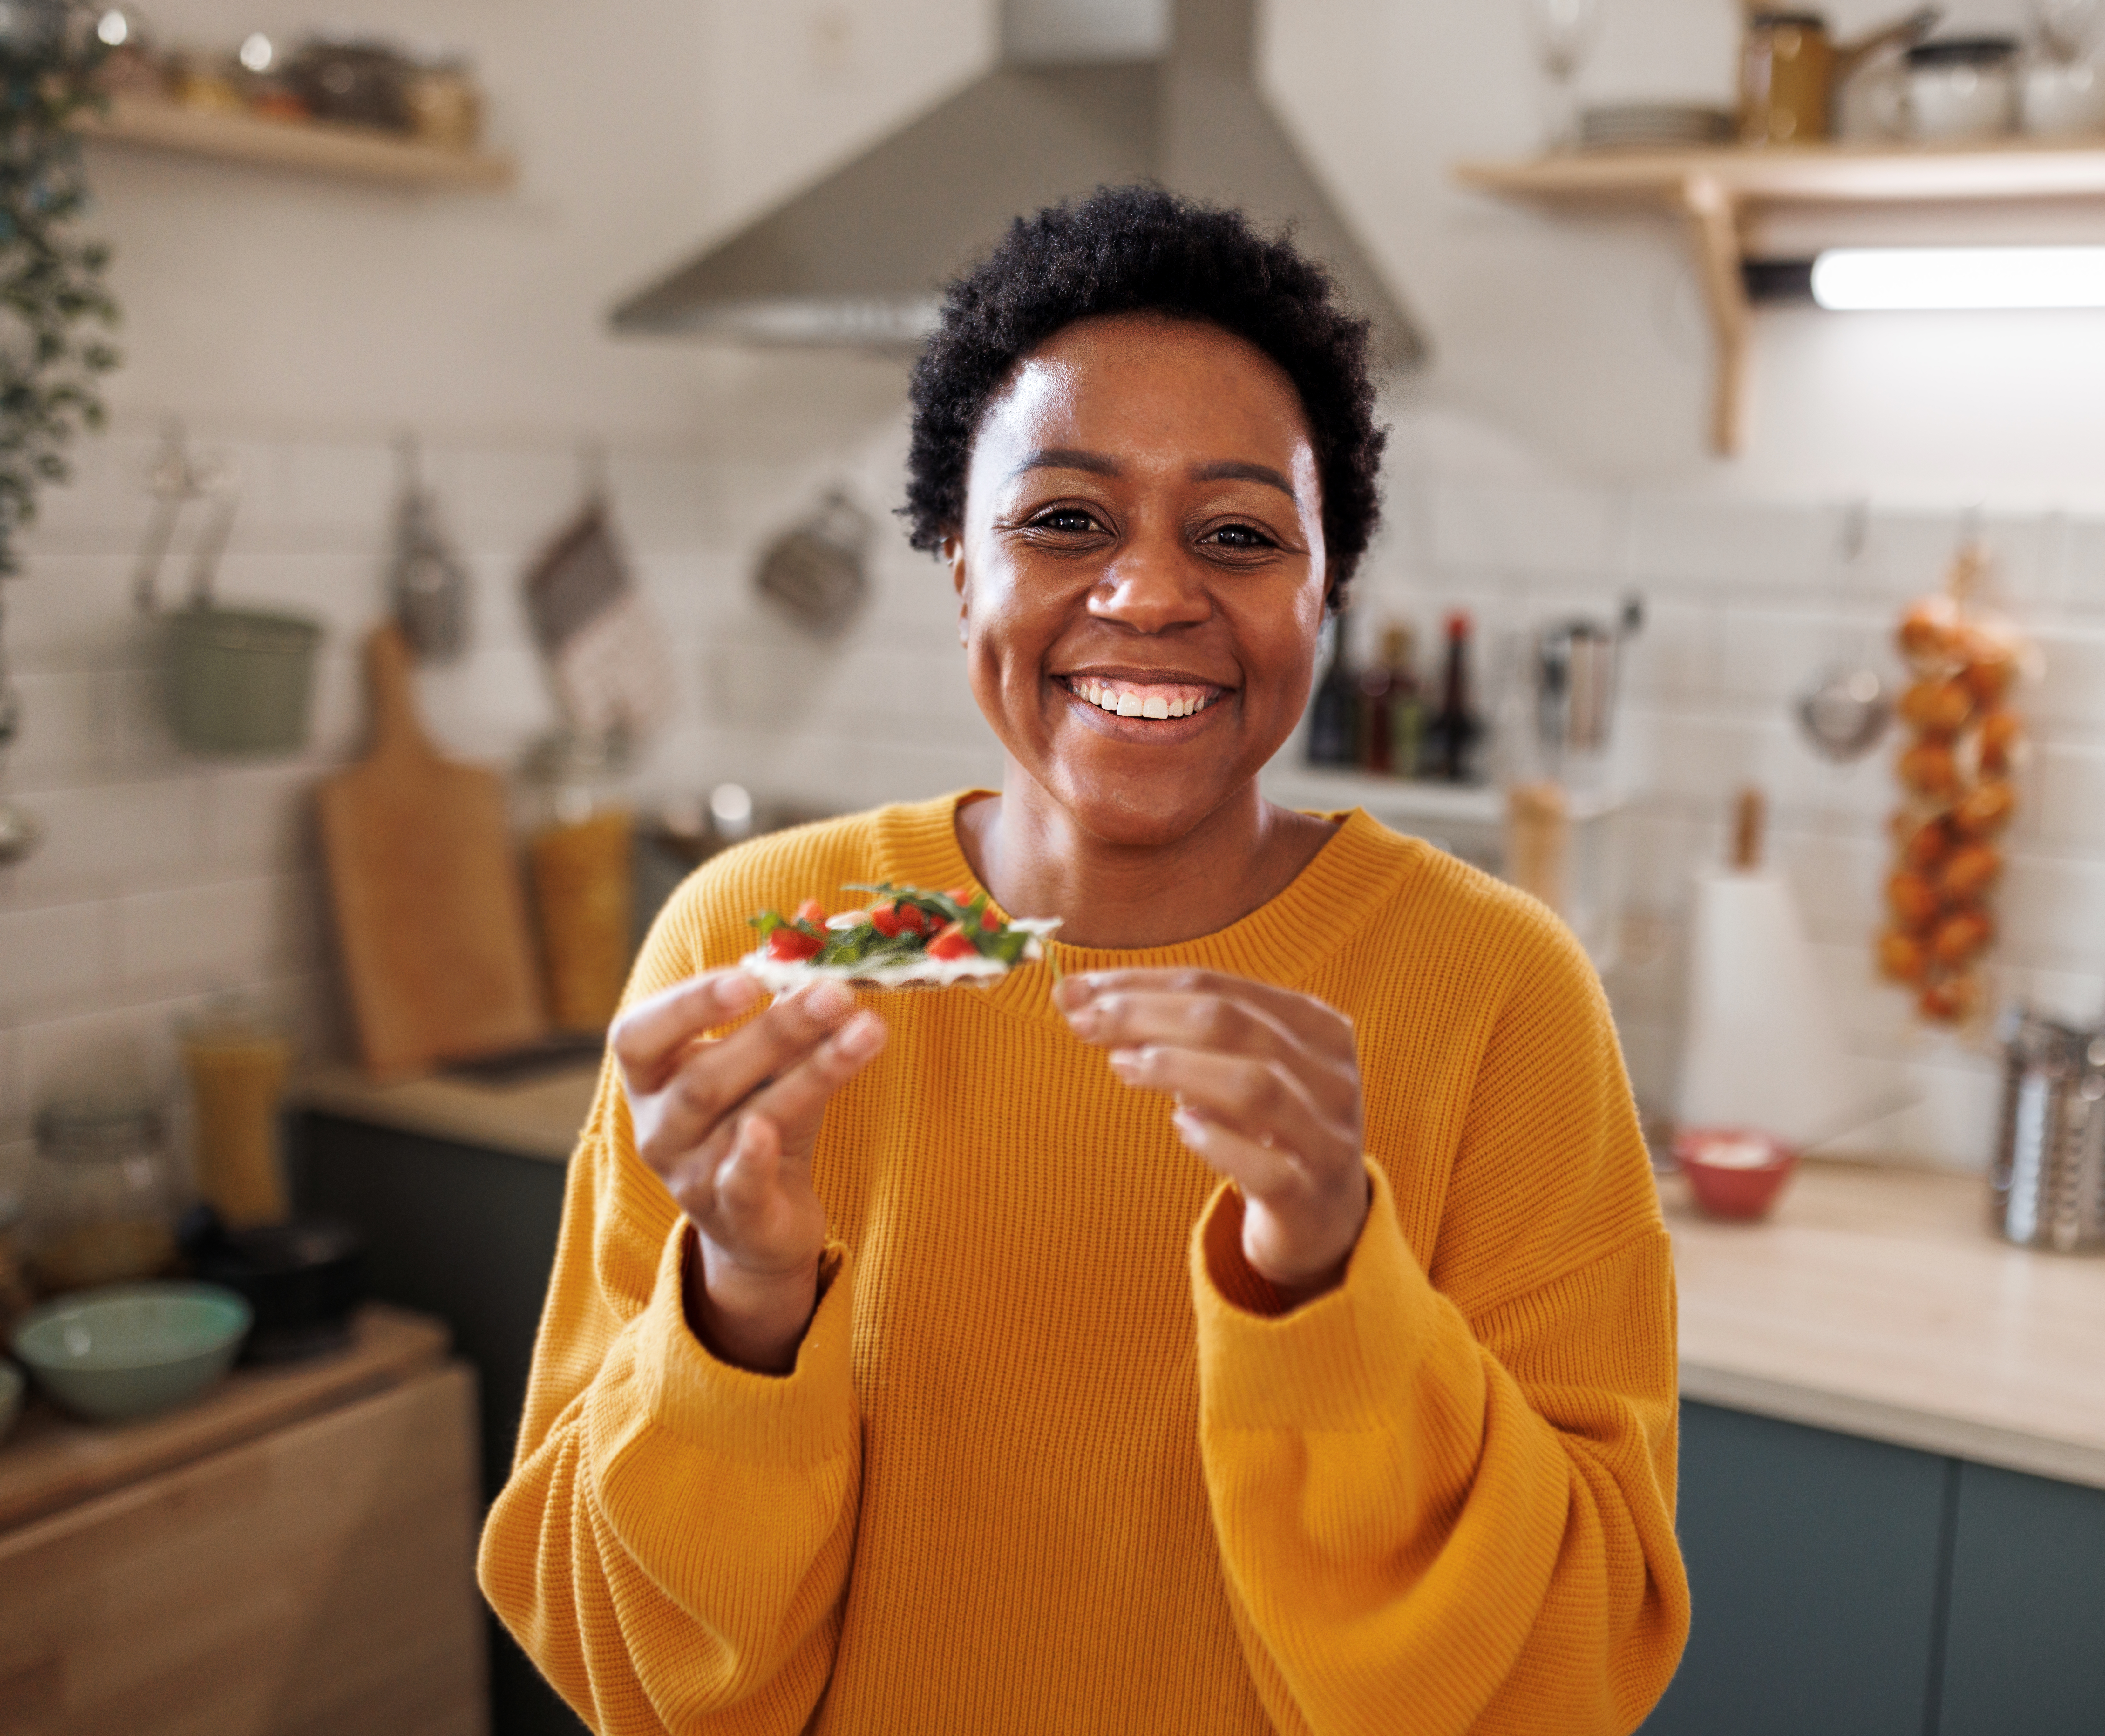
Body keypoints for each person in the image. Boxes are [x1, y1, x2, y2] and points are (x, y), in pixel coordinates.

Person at [479, 185, 1687, 1735]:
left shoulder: (1498, 990)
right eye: (1063, 519)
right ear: (956, 561)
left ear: (1326, 594)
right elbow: (616, 1665)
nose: (1148, 592)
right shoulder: (754, 945)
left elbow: (1569, 1664)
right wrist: (744, 1297)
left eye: (1241, 535)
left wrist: (1329, 1280)